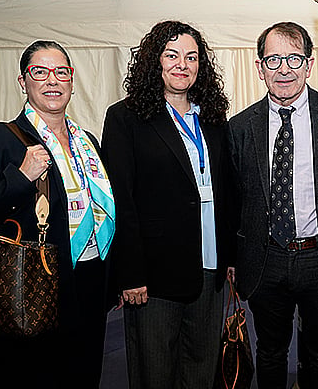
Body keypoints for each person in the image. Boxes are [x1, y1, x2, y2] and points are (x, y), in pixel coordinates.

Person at [0, 40, 115, 388]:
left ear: (72, 81)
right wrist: (19, 178)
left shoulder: (90, 143)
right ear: (23, 82)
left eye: (61, 72)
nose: (52, 80)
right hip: (34, 288)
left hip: (90, 281)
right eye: (40, 71)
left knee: (86, 375)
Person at [101, 21, 234, 389]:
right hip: (154, 274)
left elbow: (226, 188)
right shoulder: (126, 117)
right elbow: (120, 200)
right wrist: (130, 274)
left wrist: (231, 256)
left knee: (201, 365)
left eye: (192, 57)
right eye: (172, 55)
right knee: (155, 370)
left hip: (209, 265)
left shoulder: (212, 116)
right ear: (154, 61)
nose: (183, 64)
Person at [228, 21, 318, 389]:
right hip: (265, 258)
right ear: (259, 68)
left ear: (308, 63)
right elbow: (234, 197)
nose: (283, 69)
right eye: (273, 60)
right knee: (269, 353)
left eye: (292, 59)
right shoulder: (239, 127)